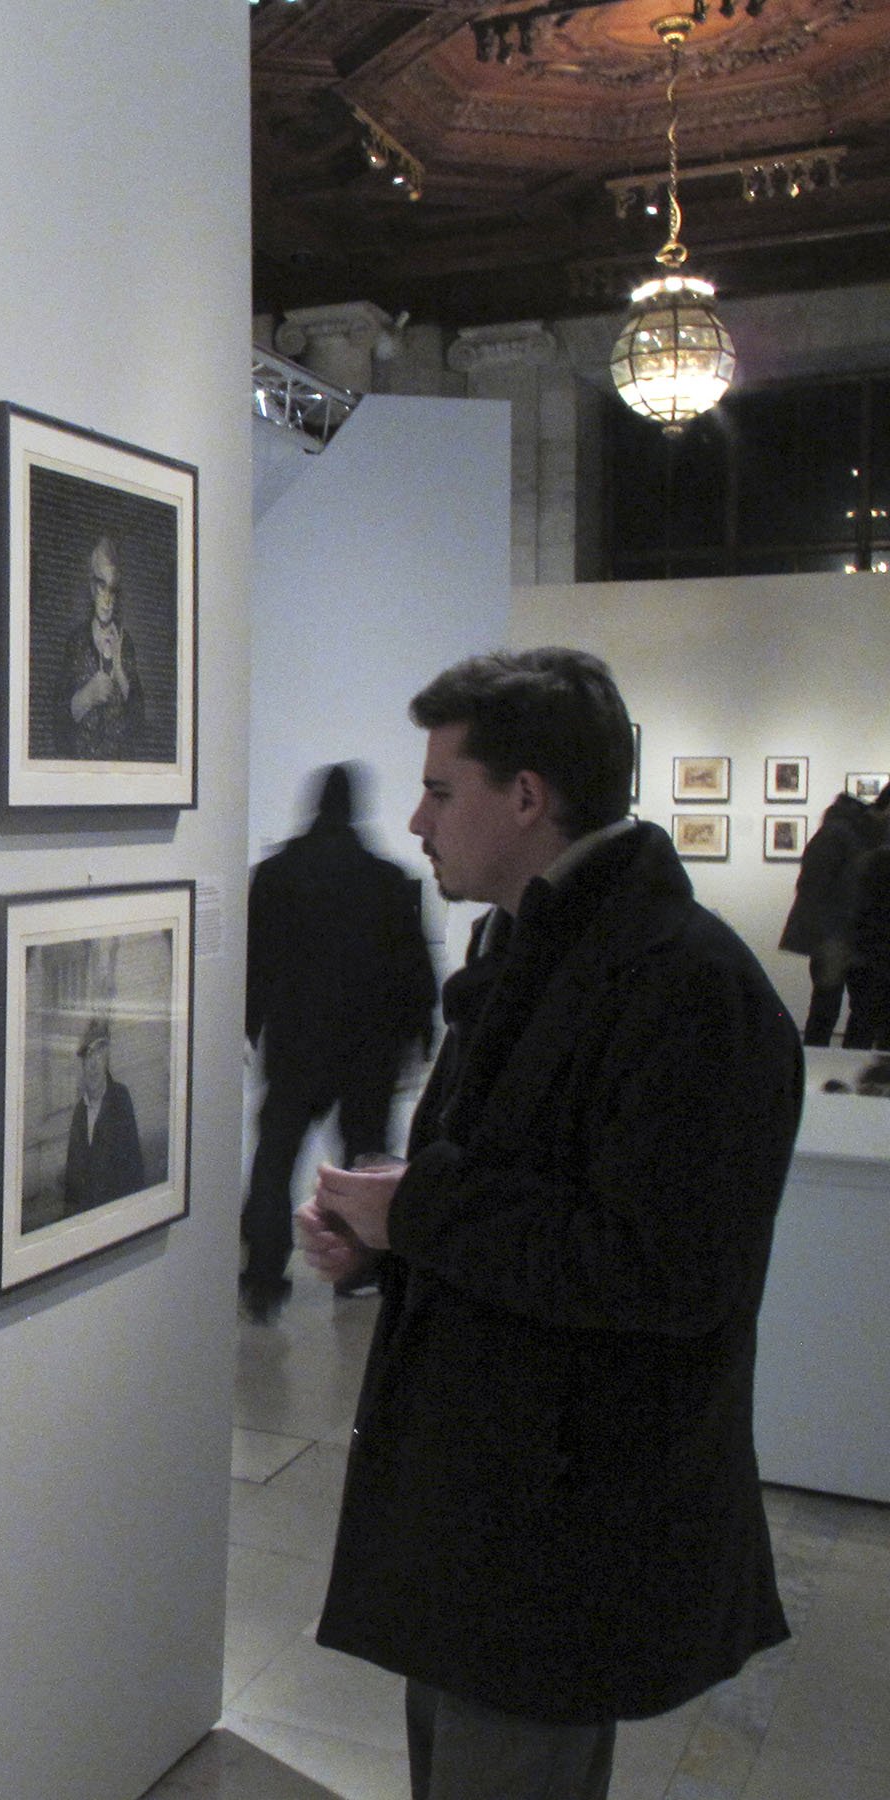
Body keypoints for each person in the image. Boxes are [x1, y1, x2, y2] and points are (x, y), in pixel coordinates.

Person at [294, 648, 801, 1800]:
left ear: (527, 797)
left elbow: (662, 1268)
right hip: (490, 1500)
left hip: (564, 1523)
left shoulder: (686, 987)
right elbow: (515, 1198)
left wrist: (416, 1207)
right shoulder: (535, 949)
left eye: (441, 789)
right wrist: (385, 1235)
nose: (418, 820)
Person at [240, 763, 437, 1322]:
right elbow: (413, 968)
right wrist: (421, 1033)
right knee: (361, 1164)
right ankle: (358, 1272)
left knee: (274, 1164)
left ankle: (262, 1275)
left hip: (297, 1049)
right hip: (366, 1054)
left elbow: (256, 963)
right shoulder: (386, 879)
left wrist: (247, 1025)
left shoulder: (278, 876)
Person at [778, 788, 886, 1044]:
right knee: (828, 1010)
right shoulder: (839, 834)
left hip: (861, 938)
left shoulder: (863, 836)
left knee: (862, 1011)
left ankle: (846, 1067)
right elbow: (813, 888)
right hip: (837, 938)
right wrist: (829, 938)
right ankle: (818, 1067)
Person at [59, 1008, 144, 1219]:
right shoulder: (80, 1112)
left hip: (116, 1219)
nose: (94, 1063)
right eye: (88, 1055)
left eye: (99, 1053)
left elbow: (133, 1169)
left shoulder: (120, 1100)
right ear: (83, 1063)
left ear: (106, 1057)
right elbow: (72, 1181)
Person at [65, 536, 142, 757]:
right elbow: (57, 722)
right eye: (101, 587)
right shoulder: (76, 642)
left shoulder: (126, 645)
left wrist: (119, 670)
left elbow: (138, 722)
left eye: (113, 590)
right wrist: (86, 696)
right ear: (91, 588)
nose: (107, 600)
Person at [842, 805, 890, 1050]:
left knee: (863, 1020)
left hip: (866, 951)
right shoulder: (878, 859)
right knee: (867, 1020)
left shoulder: (869, 855)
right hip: (874, 952)